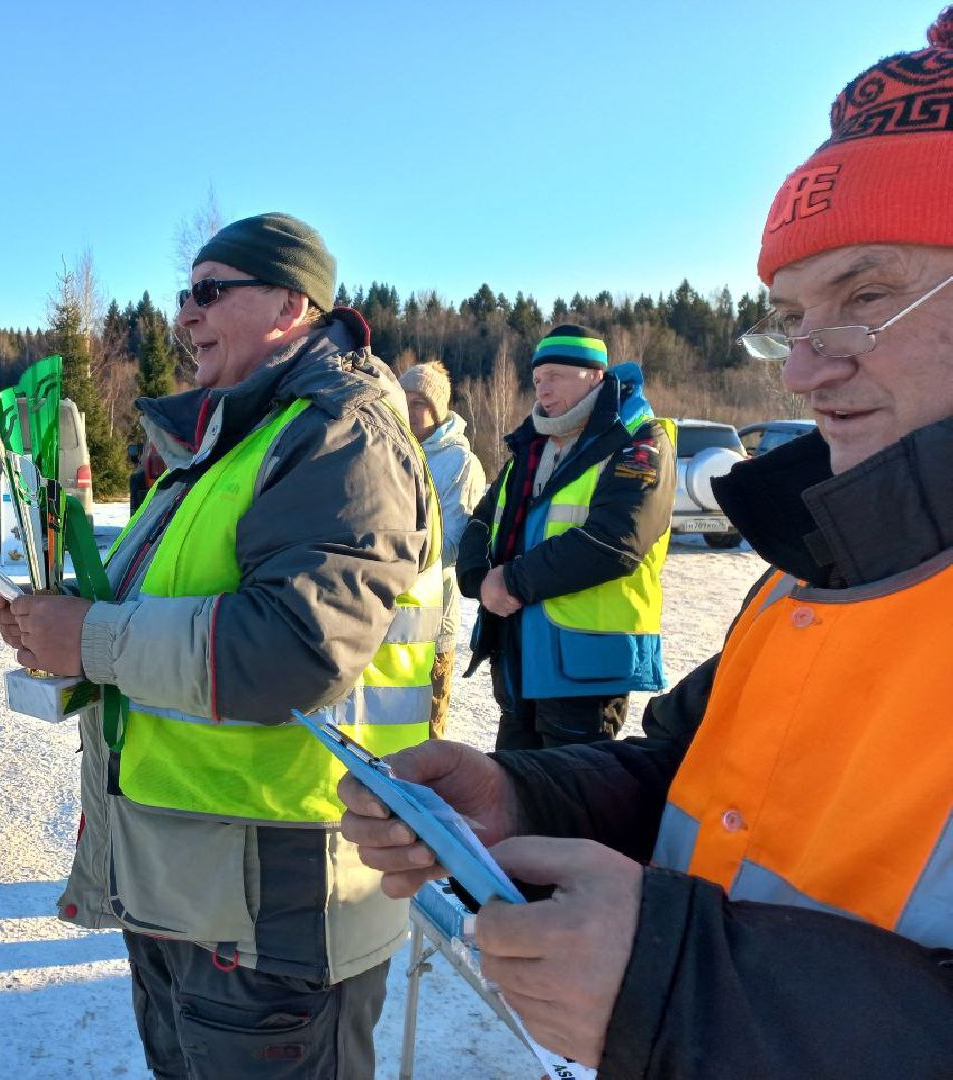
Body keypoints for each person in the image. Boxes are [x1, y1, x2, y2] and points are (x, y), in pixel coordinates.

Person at [339, 10, 953, 1075]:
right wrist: (522, 796)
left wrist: (685, 988)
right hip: (528, 655)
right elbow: (691, 769)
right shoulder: (822, 562)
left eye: (866, 297)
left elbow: (613, 543)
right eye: (790, 320)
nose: (802, 372)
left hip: (584, 647)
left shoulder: (638, 450)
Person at [0, 212, 441, 1077]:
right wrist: (58, 630)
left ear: (290, 303)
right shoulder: (228, 440)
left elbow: (295, 648)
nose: (184, 316)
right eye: (181, 296)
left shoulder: (338, 435)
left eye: (208, 293)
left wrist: (93, 638)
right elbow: (144, 615)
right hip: (187, 891)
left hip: (280, 911)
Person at [457, 324, 675, 750]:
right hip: (519, 657)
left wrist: (512, 582)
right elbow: (483, 520)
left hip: (585, 666)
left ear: (594, 375)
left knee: (570, 805)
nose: (543, 388)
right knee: (515, 797)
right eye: (537, 379)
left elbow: (616, 541)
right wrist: (477, 579)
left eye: (555, 375)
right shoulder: (531, 446)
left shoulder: (639, 439)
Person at [399, 361, 485, 737]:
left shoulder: (461, 464)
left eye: (419, 402)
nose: (409, 408)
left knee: (426, 733)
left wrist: (386, 554)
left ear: (438, 409)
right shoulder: (389, 450)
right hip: (384, 618)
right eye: (403, 399)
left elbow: (452, 545)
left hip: (431, 625)